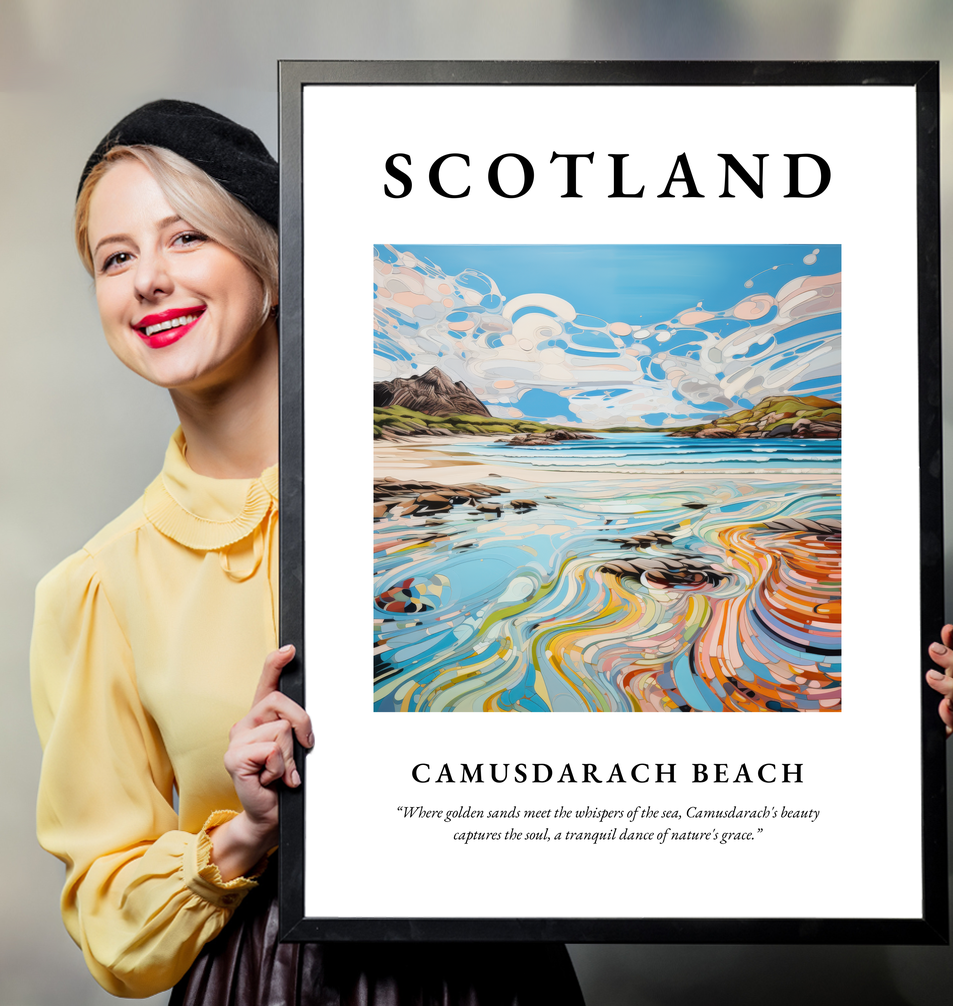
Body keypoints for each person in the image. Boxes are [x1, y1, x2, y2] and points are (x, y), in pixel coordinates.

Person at [30, 100, 585, 1004]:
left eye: (186, 239)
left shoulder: (451, 499)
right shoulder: (97, 587)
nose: (148, 281)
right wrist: (245, 832)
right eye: (116, 257)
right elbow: (110, 925)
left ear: (273, 265)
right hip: (263, 981)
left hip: (494, 973)